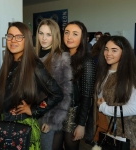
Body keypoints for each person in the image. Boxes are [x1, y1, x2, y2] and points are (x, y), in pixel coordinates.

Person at [0, 22, 64, 150]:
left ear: (27, 40)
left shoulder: (34, 66)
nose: (13, 40)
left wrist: (34, 110)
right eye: (10, 36)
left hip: (23, 130)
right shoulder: (8, 63)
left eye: (19, 37)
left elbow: (57, 93)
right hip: (3, 125)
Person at [53, 21, 96, 150]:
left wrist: (81, 124)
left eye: (75, 34)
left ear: (82, 38)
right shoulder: (60, 56)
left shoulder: (87, 61)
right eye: (67, 33)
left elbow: (87, 96)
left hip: (73, 114)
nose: (69, 37)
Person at [35, 18, 72, 150]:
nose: (43, 38)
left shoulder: (61, 59)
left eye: (48, 34)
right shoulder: (32, 55)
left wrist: (51, 122)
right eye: (41, 33)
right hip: (31, 113)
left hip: (47, 115)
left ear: (55, 36)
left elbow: (65, 94)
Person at [94, 36, 136, 150]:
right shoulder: (103, 71)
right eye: (106, 49)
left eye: (114, 50)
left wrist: (104, 107)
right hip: (104, 126)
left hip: (124, 130)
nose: (108, 53)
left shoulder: (129, 77)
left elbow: (133, 108)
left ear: (124, 53)